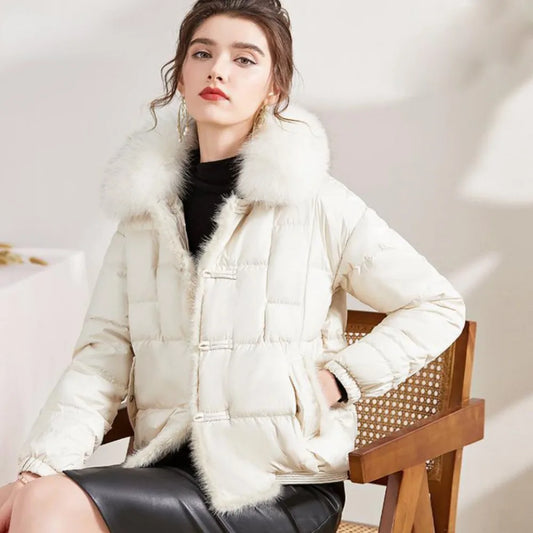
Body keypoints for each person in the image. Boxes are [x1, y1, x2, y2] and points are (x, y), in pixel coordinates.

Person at [1, 1, 466, 531]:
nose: (217, 70)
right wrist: (39, 470)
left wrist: (337, 380)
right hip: (163, 472)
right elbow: (100, 362)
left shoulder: (318, 204)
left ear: (274, 88)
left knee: (48, 505)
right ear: (180, 75)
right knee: (26, 499)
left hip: (279, 486)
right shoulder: (145, 215)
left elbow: (437, 305)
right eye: (202, 53)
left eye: (244, 59)